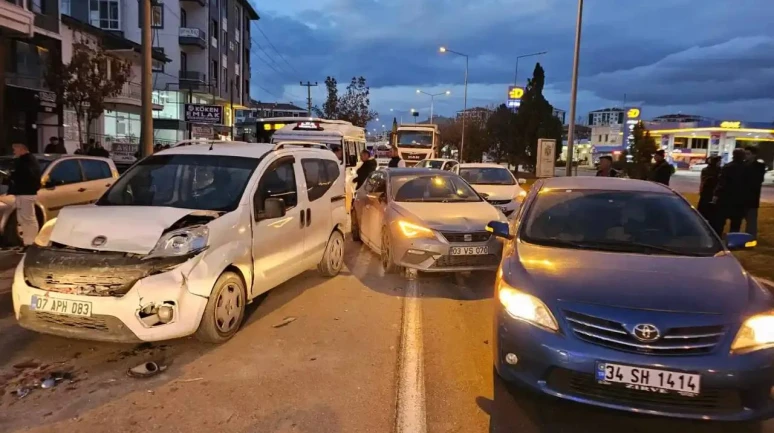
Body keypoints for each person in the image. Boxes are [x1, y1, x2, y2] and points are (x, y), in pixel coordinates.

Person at [8, 143, 41, 248]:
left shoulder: (27, 161)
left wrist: (13, 175)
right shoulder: (27, 161)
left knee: (28, 219)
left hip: (25, 193)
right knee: (23, 219)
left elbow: (27, 176)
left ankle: (30, 243)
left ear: (22, 149)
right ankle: (27, 242)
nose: (14, 152)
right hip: (24, 193)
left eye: (15, 150)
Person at [712, 148, 748, 235]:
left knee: (720, 221)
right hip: (740, 199)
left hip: (725, 198)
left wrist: (716, 195)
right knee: (736, 223)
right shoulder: (747, 168)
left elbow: (722, 183)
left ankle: (718, 238)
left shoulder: (727, 167)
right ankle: (733, 240)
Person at [743, 146, 766, 239]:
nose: (746, 156)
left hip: (752, 198)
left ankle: (750, 238)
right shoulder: (742, 164)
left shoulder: (759, 166)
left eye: (748, 154)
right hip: (740, 198)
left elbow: (758, 180)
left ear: (754, 155)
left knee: (751, 220)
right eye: (745, 154)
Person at [697, 156, 722, 230]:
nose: (720, 163)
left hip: (706, 194)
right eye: (719, 161)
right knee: (711, 213)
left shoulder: (706, 170)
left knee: (704, 213)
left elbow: (702, 182)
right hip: (711, 194)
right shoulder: (718, 171)